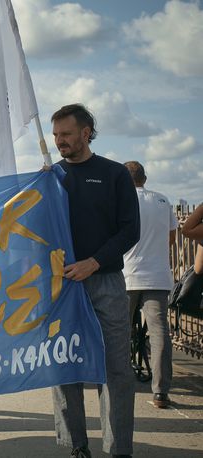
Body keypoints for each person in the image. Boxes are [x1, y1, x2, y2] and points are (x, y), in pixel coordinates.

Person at [50, 104, 140, 458]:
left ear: (86, 133)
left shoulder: (115, 174)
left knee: (116, 368)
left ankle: (119, 449)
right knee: (64, 365)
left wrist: (94, 261)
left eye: (66, 134)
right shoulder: (50, 177)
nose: (59, 141)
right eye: (56, 135)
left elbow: (130, 229)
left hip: (106, 282)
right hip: (62, 286)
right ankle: (77, 445)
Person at [122, 161, 177, 409]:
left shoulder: (122, 200)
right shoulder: (163, 201)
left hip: (127, 275)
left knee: (118, 331)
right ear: (145, 177)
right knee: (159, 333)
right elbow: (172, 239)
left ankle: (119, 384)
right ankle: (161, 392)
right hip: (158, 276)